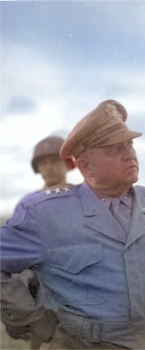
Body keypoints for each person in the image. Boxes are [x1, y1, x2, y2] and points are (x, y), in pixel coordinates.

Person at [1, 100, 145, 349]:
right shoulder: (44, 213)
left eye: (129, 144)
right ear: (85, 166)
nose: (129, 154)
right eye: (113, 149)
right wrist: (33, 322)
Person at [1, 135, 73, 349]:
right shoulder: (29, 203)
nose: (49, 167)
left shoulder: (83, 196)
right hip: (42, 281)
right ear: (38, 168)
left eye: (54, 160)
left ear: (67, 163)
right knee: (44, 336)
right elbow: (14, 247)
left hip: (78, 278)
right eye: (44, 162)